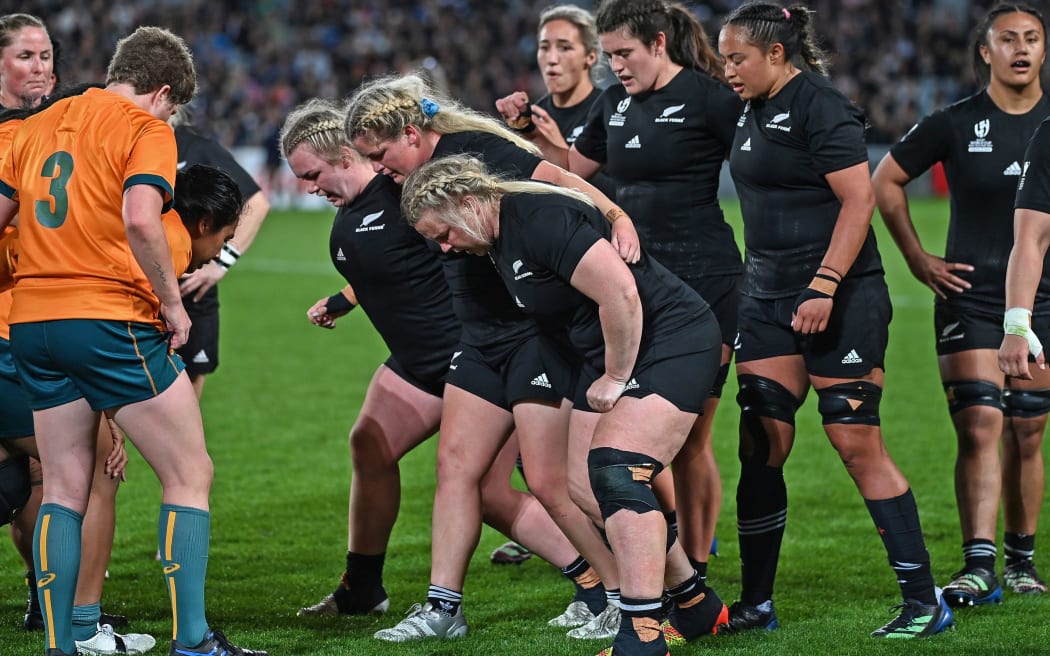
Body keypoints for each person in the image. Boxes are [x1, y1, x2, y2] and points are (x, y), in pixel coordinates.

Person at [0, 26, 267, 656]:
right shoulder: (146, 129)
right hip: (106, 317)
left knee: (64, 485)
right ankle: (195, 642)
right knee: (189, 471)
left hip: (33, 325)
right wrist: (174, 307)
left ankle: (62, 644)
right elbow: (143, 218)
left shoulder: (40, 122)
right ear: (164, 92)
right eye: (174, 108)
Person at [400, 153, 727, 656]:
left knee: (618, 469)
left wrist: (616, 376)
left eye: (444, 234)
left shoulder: (538, 218)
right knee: (578, 484)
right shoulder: (495, 237)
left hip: (669, 336)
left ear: (468, 203)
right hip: (603, 350)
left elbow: (621, 293)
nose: (445, 247)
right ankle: (694, 599)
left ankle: (642, 633)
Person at [345, 73, 632, 642]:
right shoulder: (409, 176)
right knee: (455, 466)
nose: (378, 167)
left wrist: (617, 219)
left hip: (534, 335)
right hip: (476, 340)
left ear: (409, 131)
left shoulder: (477, 152)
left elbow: (563, 182)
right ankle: (443, 609)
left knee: (557, 483)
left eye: (380, 154)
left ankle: (629, 593)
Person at [283, 98, 592, 626]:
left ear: (343, 155)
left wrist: (609, 217)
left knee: (491, 492)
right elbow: (386, 271)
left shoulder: (406, 193)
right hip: (415, 360)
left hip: (470, 356)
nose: (309, 187)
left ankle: (597, 578)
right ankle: (362, 586)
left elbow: (465, 243)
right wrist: (343, 300)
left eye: (312, 174)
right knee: (369, 444)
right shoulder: (359, 207)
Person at [716, 2, 952, 638]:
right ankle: (757, 604)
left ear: (776, 54)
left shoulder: (821, 104)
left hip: (840, 297)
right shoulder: (750, 109)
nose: (728, 69)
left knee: (854, 441)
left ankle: (924, 602)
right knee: (761, 444)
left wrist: (824, 285)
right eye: (723, 58)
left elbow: (859, 200)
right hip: (765, 299)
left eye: (737, 57)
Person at [501, 0, 742, 582]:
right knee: (633, 449)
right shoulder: (612, 103)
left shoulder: (711, 99)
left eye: (624, 54)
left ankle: (697, 568)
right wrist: (530, 133)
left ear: (659, 44)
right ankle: (660, 557)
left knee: (687, 441)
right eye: (608, 57)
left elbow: (764, 163)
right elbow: (570, 172)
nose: (616, 67)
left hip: (707, 284)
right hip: (640, 286)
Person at [873, 3, 1050, 605]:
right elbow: (885, 181)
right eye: (1008, 39)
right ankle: (980, 564)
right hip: (970, 297)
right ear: (985, 52)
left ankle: (1022, 561)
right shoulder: (955, 122)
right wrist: (919, 260)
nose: (1021, 49)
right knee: (980, 422)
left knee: (1027, 431)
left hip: (1042, 301)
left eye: (1032, 38)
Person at [0, 14, 133, 648]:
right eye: (26, 56)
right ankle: (82, 617)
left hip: (28, 326)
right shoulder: (34, 137)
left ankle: (41, 595)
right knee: (90, 468)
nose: (43, 68)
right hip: (23, 330)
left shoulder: (50, 126)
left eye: (47, 55)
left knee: (38, 476)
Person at [170, 106, 271, 400]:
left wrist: (221, 263)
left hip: (189, 292)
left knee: (185, 406)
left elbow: (257, 203)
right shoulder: (124, 142)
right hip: (133, 290)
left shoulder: (197, 149)